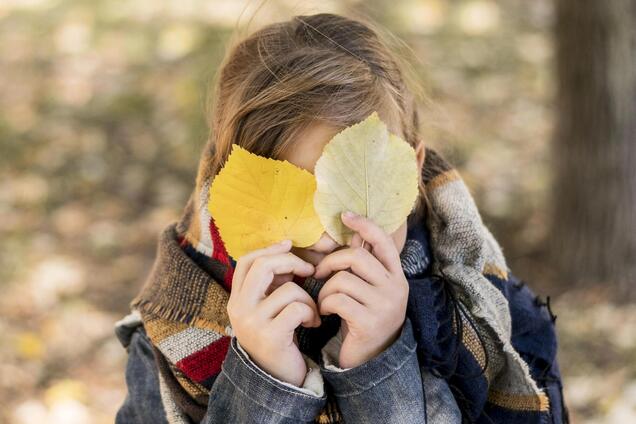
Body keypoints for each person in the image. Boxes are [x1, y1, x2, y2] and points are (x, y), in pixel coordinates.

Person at [114, 12, 568, 424]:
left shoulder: (486, 313)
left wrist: (379, 364)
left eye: (350, 197)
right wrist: (262, 383)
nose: (329, 239)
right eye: (293, 197)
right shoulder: (173, 334)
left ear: (409, 171)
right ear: (232, 189)